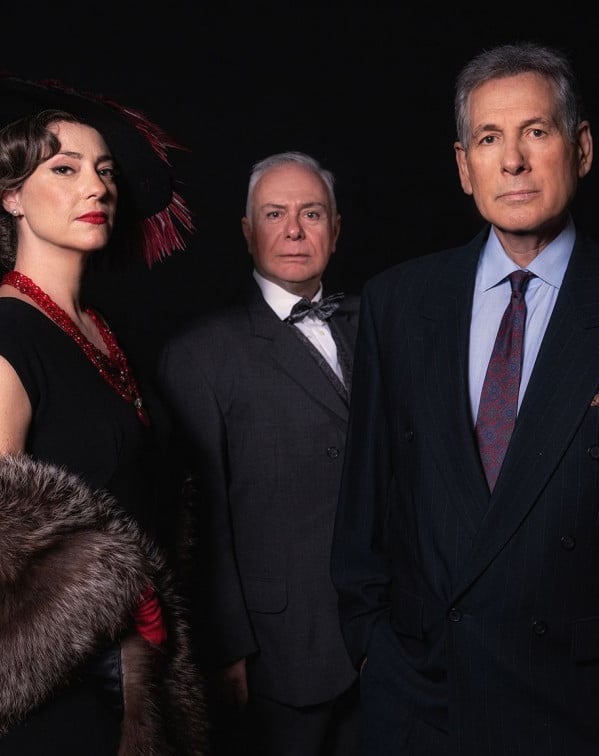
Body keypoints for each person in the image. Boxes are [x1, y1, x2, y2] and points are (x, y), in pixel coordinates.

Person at [329, 40, 599, 755]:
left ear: (581, 148)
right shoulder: (398, 303)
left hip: (585, 711)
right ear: (464, 167)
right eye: (489, 138)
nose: (512, 160)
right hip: (423, 702)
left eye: (535, 132)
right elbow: (366, 500)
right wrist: (372, 650)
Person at [0, 70, 207, 755]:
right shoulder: (3, 335)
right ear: (11, 196)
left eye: (105, 170)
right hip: (55, 708)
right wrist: (115, 594)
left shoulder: (102, 328)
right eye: (65, 168)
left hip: (136, 683)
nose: (97, 187)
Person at [157, 150, 361, 756]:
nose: (294, 230)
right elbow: (200, 521)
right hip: (277, 653)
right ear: (248, 233)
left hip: (385, 642)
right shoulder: (199, 355)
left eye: (311, 214)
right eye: (275, 214)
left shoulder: (379, 325)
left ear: (335, 230)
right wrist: (227, 649)